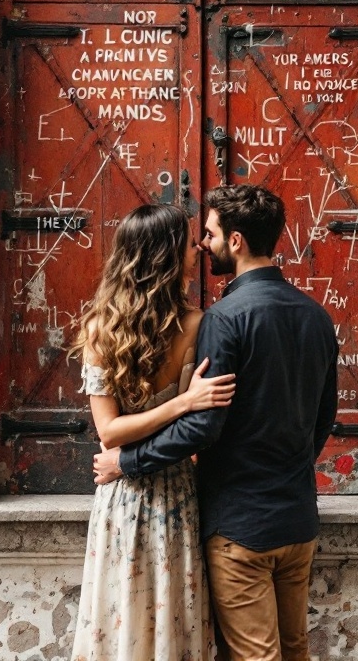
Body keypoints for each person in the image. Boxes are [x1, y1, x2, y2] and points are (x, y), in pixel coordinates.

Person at [94, 184, 339, 661]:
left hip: (239, 526)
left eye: (208, 234)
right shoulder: (317, 317)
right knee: (295, 651)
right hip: (298, 520)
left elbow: (204, 426)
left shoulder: (224, 319)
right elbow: (323, 418)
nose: (203, 245)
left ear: (237, 241)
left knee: (255, 657)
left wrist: (128, 461)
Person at [69, 202, 235, 661]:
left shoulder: (105, 327)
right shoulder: (196, 326)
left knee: (125, 625)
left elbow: (114, 431)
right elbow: (110, 432)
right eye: (188, 241)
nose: (198, 248)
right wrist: (184, 402)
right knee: (169, 624)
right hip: (172, 489)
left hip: (122, 491)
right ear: (165, 254)